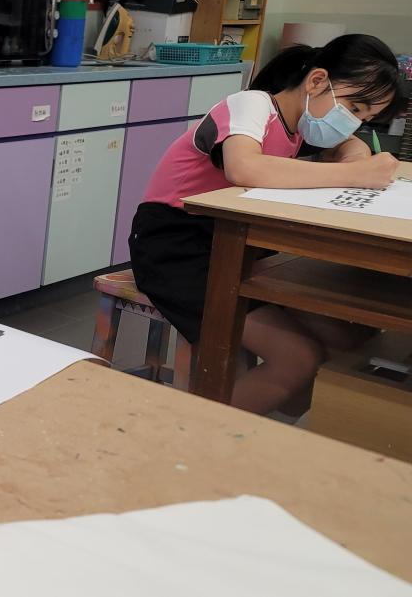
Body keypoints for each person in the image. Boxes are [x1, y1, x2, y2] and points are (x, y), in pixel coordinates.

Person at [129, 34, 405, 417]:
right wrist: (356, 174)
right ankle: (193, 438)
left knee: (346, 335)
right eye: (354, 108)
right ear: (317, 81)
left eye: (366, 118)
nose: (354, 122)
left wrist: (355, 153)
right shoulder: (252, 105)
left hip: (234, 243)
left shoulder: (302, 125)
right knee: (298, 358)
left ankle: (272, 421)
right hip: (176, 245)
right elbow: (244, 167)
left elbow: (348, 145)